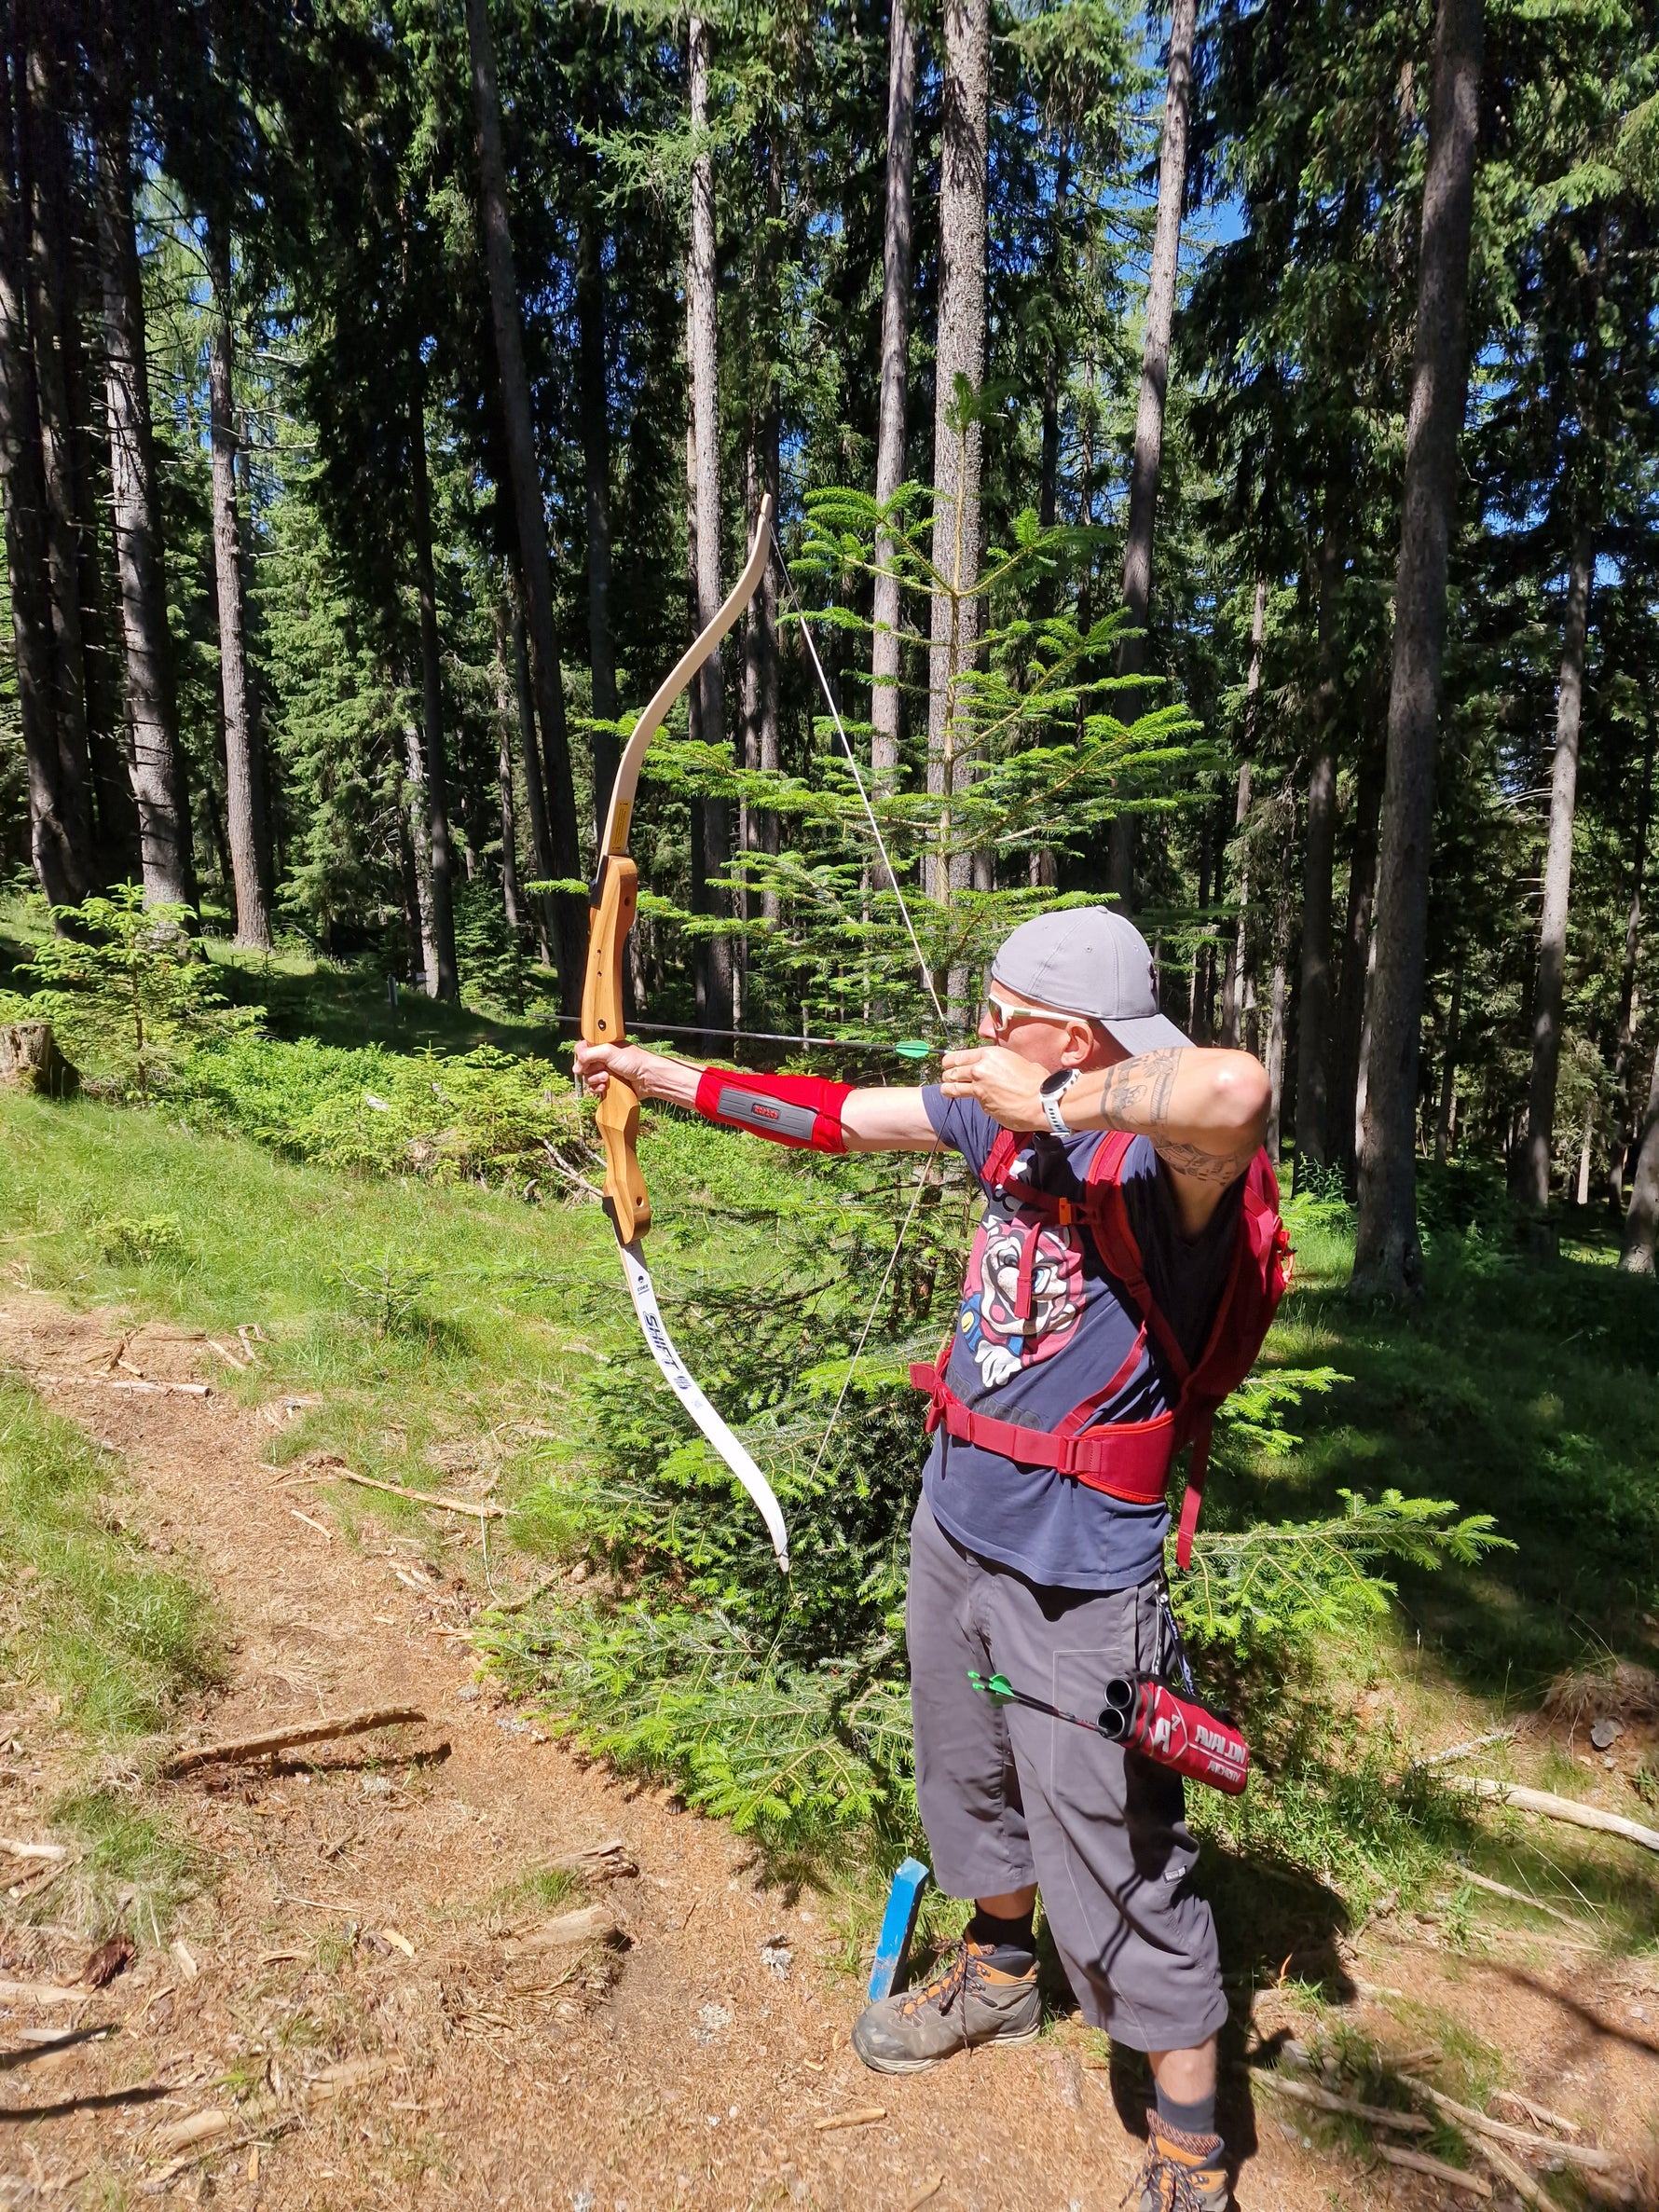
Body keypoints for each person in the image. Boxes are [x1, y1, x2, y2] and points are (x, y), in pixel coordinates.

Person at [575, 907, 1272, 2212]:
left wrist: (1055, 1093)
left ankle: (1190, 2155)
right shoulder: (993, 1117)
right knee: (967, 1769)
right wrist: (658, 1077)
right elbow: (838, 1116)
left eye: (1002, 1010)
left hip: (1082, 1571)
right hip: (958, 1522)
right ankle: (1002, 1975)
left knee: (1117, 1844)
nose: (978, 1028)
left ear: (1070, 1035)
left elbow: (1238, 1088)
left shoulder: (1164, 1165)